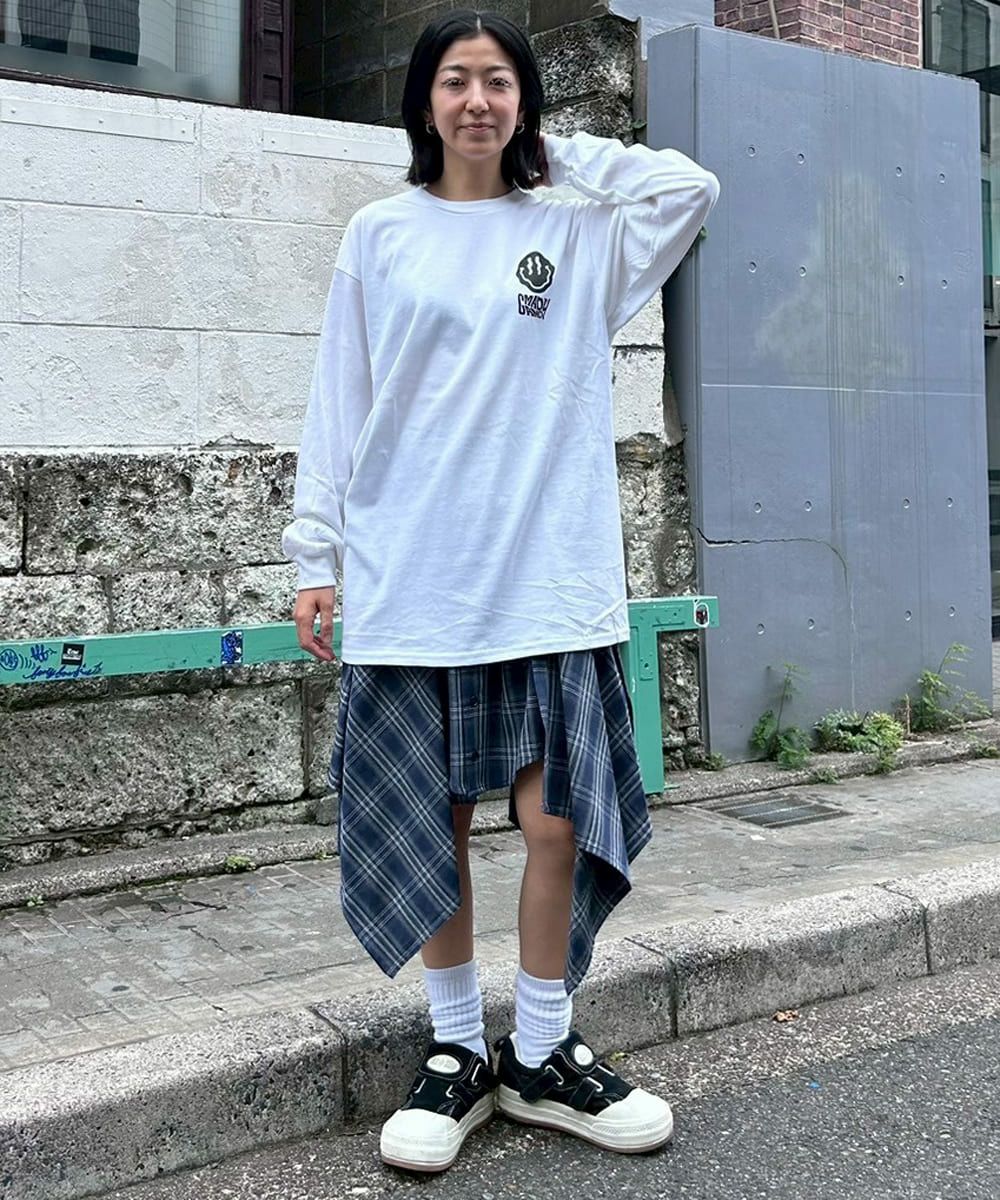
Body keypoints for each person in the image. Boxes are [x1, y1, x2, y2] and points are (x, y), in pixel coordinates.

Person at [282, 8, 720, 1175]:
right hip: (414, 580)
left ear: (525, 100)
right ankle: (452, 1051)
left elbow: (687, 190)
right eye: (454, 82)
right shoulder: (380, 233)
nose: (475, 100)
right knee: (429, 822)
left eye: (498, 82)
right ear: (421, 101)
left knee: (558, 820)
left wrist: (546, 152)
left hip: (547, 581)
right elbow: (338, 398)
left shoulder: (573, 231)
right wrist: (314, 556)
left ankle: (538, 1050)